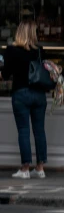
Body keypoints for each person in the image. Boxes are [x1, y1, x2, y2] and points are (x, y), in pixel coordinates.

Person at [1, 21, 48, 179]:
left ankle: (25, 168)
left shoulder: (12, 50)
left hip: (21, 93)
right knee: (39, 130)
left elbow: (6, 74)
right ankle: (40, 167)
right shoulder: (40, 50)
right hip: (39, 94)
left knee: (23, 130)